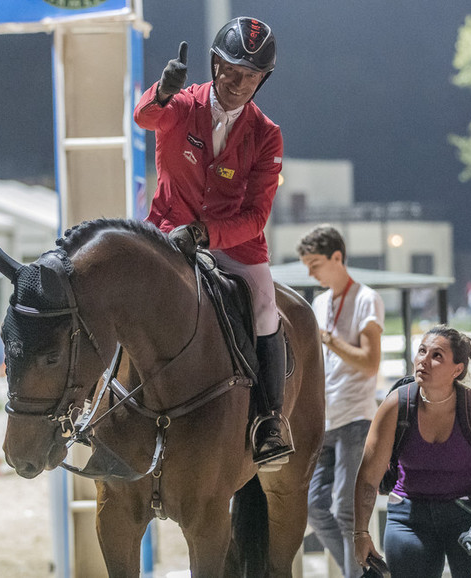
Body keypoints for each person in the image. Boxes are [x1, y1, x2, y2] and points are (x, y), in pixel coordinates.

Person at [133, 17, 292, 468]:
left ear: (263, 79)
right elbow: (145, 118)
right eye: (233, 71)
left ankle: (269, 419)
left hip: (232, 241)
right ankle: (107, 399)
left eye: (253, 76)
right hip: (168, 230)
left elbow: (257, 215)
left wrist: (207, 234)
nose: (240, 84)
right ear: (215, 63)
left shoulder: (267, 134)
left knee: (264, 307)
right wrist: (162, 91)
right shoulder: (182, 105)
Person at [353, 325, 471, 578]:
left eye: (437, 355)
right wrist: (361, 533)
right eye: (422, 351)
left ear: (457, 369)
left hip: (467, 515)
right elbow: (368, 477)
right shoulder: (395, 407)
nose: (424, 360)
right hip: (409, 516)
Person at [297, 225, 385, 578]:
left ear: (338, 257)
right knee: (313, 508)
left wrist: (328, 340)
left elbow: (370, 362)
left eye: (315, 263)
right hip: (325, 418)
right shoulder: (319, 302)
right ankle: (362, 573)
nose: (310, 272)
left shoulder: (366, 298)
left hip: (356, 418)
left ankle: (359, 573)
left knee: (345, 511)